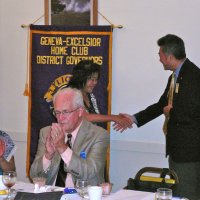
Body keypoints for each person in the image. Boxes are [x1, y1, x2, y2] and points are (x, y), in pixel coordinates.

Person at [121, 34, 200, 199]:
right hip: (178, 151)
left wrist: (170, 113)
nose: (159, 59)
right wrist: (133, 118)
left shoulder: (193, 77)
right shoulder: (175, 77)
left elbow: (192, 113)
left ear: (170, 56)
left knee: (188, 194)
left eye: (160, 55)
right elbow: (160, 106)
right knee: (180, 192)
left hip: (189, 153)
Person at [30, 87, 110, 187]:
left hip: (82, 195)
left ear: (80, 111)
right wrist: (48, 156)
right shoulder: (46, 132)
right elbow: (34, 175)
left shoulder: (99, 135)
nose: (60, 118)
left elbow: (90, 173)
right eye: (57, 112)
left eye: (66, 112)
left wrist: (63, 148)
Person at [68, 60, 132, 132]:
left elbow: (94, 116)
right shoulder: (69, 94)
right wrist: (114, 118)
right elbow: (84, 117)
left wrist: (118, 117)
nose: (95, 82)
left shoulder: (89, 94)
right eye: (92, 79)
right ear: (81, 78)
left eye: (96, 79)